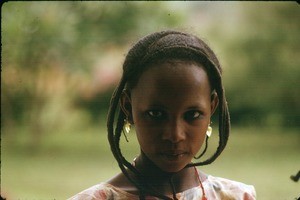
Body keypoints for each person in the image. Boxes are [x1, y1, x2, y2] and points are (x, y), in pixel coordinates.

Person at [69, 30, 256, 200]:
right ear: (128, 106)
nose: (175, 135)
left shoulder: (238, 197)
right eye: (156, 114)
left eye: (192, 115)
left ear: (212, 107)